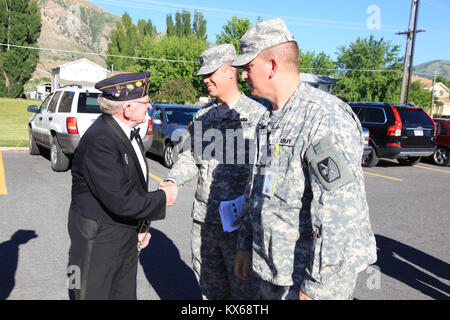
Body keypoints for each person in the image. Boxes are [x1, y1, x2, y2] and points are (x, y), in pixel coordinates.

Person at [232, 18, 377, 300]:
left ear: (272, 65)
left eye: (248, 68)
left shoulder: (324, 117)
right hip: (272, 268)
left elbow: (340, 213)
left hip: (309, 277)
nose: (242, 76)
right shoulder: (268, 119)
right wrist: (244, 245)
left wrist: (318, 287)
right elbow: (256, 193)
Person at [158, 44, 266, 300]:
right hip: (205, 223)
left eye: (211, 73)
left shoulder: (259, 117)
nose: (205, 80)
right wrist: (173, 180)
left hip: (241, 229)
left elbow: (267, 174)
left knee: (245, 295)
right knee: (209, 291)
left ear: (230, 71)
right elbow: (189, 157)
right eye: (204, 75)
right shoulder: (203, 117)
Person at [67, 72, 177, 300]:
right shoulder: (102, 141)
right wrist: (163, 197)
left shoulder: (127, 132)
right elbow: (122, 200)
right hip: (98, 240)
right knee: (92, 294)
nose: (149, 107)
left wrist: (142, 225)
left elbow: (133, 185)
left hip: (122, 233)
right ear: (127, 108)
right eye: (146, 103)